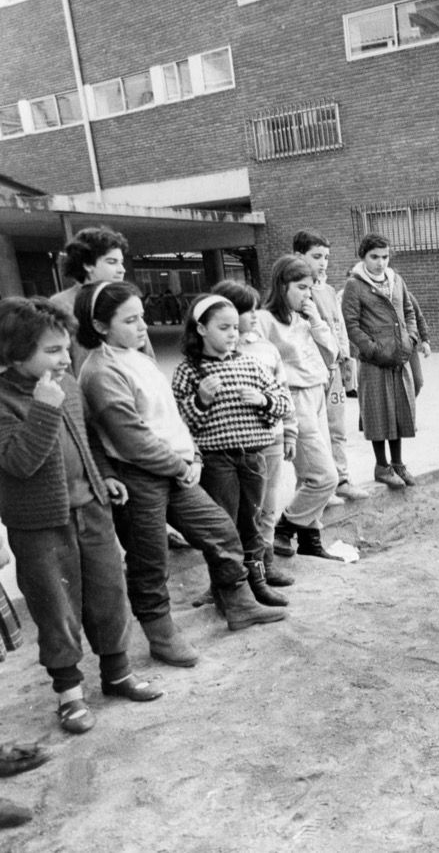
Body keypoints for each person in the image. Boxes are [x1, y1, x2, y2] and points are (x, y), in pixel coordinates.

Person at [74, 282, 286, 668]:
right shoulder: (101, 370)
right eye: (131, 320)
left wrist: (194, 455)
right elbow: (133, 439)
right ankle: (161, 635)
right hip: (138, 476)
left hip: (174, 468)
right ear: (101, 326)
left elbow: (169, 418)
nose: (143, 327)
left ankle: (238, 605)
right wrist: (181, 465)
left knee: (220, 529)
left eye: (142, 316)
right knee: (149, 559)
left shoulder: (136, 355)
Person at [0, 297, 162, 735]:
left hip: (91, 508)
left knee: (109, 594)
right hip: (39, 525)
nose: (63, 358)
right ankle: (69, 695)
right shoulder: (10, 399)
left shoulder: (66, 383)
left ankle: (117, 673)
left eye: (65, 348)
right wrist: (44, 406)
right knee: (56, 608)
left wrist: (103, 476)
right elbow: (19, 462)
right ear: (15, 352)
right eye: (51, 350)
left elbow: (86, 439)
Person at [171, 294, 294, 608]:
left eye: (234, 328)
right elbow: (180, 424)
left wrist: (262, 401)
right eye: (223, 327)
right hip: (215, 461)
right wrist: (199, 400)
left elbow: (281, 403)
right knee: (221, 526)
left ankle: (257, 583)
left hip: (252, 457)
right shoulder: (189, 371)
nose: (232, 334)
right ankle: (223, 586)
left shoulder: (250, 364)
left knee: (250, 522)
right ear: (200, 329)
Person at [210, 280, 297, 590]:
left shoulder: (265, 348)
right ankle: (228, 577)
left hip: (269, 438)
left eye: (253, 309)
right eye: (244, 310)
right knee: (231, 512)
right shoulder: (213, 352)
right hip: (229, 446)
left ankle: (265, 565)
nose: (251, 316)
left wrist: (290, 432)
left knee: (267, 505)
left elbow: (283, 391)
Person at [257, 256, 344, 561]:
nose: (307, 294)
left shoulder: (303, 317)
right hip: (294, 398)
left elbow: (332, 351)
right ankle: (286, 524)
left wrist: (316, 319)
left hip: (317, 392)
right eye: (301, 288)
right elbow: (258, 360)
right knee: (325, 477)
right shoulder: (265, 320)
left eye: (310, 288)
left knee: (308, 475)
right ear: (282, 286)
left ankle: (310, 539)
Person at [340, 234, 421, 490]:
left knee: (398, 411)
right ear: (363, 257)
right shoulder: (355, 285)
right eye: (374, 257)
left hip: (399, 358)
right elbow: (351, 325)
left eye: (385, 257)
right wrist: (373, 350)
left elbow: (409, 311)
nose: (380, 262)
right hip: (375, 362)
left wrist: (411, 339)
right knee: (378, 414)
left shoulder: (396, 280)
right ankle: (381, 466)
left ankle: (397, 463)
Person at [295, 231, 370, 504]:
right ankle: (311, 486)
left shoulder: (327, 291)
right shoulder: (297, 294)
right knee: (312, 432)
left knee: (337, 428)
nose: (323, 262)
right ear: (298, 256)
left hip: (334, 370)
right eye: (316, 256)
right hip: (311, 373)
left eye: (326, 257)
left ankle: (342, 479)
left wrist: (346, 362)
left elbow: (338, 329)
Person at [50, 226, 154, 372]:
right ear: (87, 265)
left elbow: (147, 353)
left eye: (121, 262)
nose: (121, 269)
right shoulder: (59, 306)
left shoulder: (125, 298)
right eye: (112, 262)